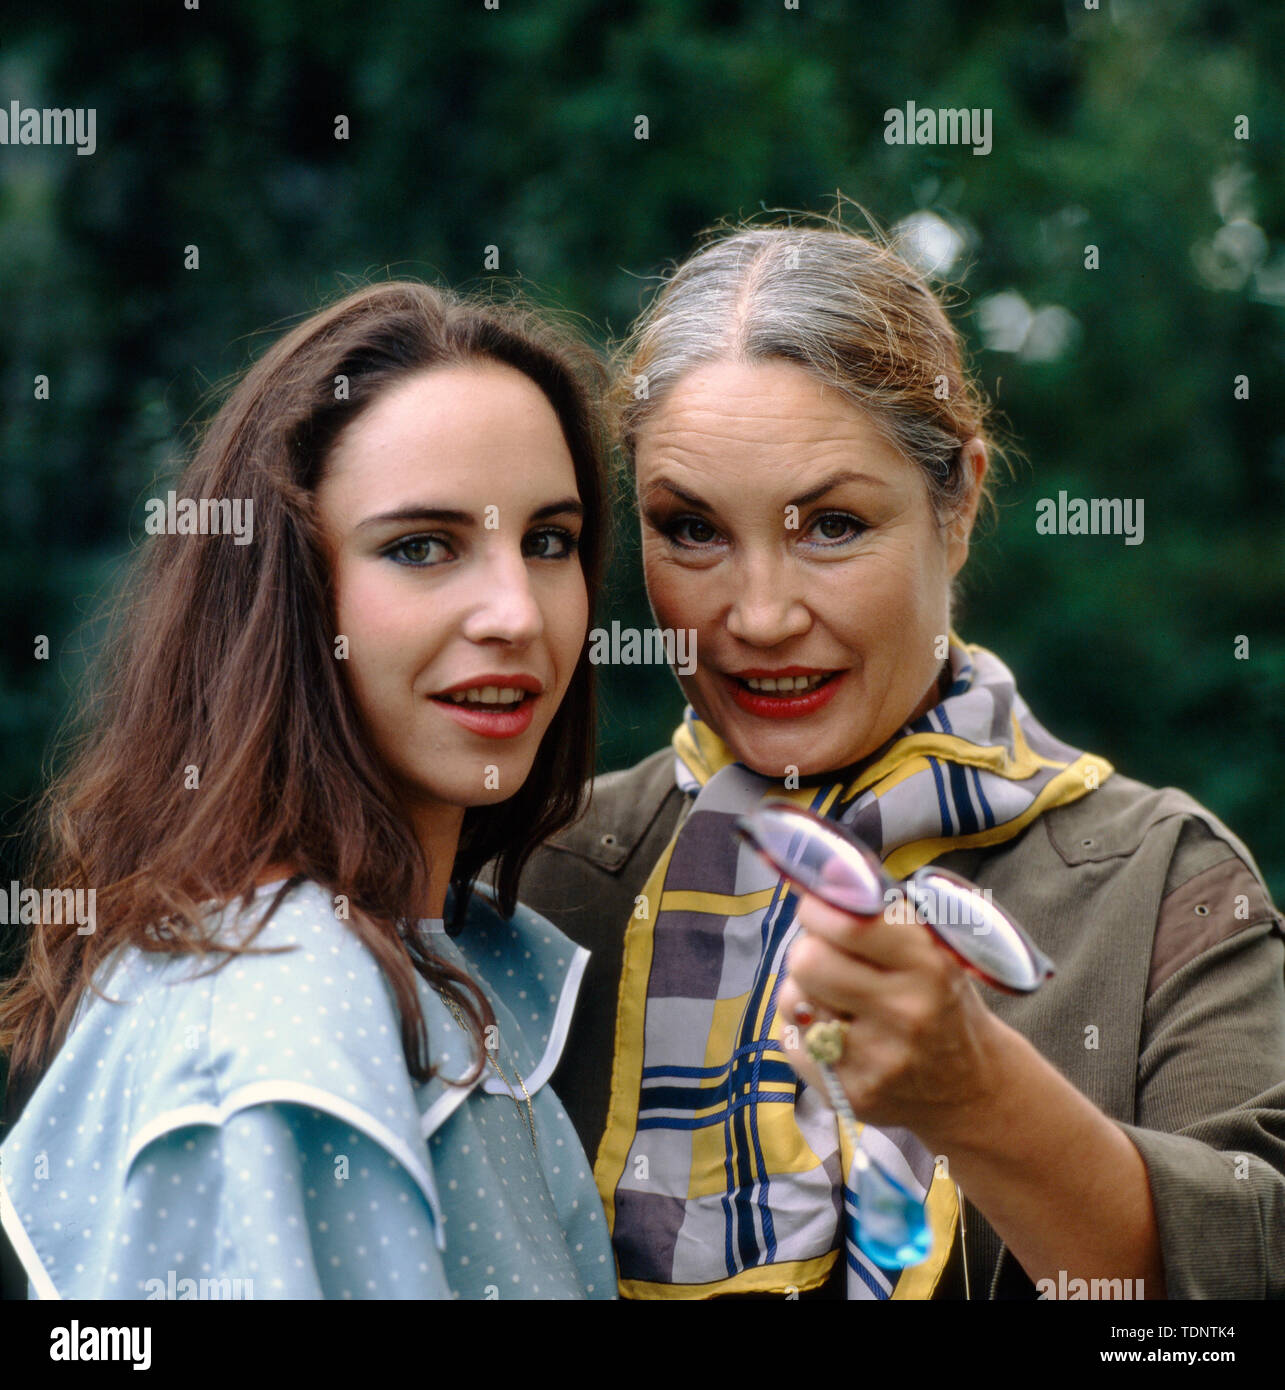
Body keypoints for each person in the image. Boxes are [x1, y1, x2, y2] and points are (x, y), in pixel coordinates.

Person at [516, 219, 1285, 1300]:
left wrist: (977, 1097)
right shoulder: (535, 879)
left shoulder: (1162, 884)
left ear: (957, 502)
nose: (761, 615)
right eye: (690, 530)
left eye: (830, 524)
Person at [0, 280, 616, 1300]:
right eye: (422, 546)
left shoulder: (423, 953)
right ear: (285, 594)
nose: (516, 610)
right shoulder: (291, 990)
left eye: (548, 541)